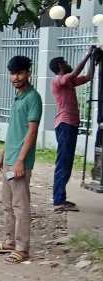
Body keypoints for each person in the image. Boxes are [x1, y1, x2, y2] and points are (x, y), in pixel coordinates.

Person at [0, 56, 42, 265]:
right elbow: (14, 131)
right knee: (8, 204)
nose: (16, 77)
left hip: (20, 162)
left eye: (20, 73)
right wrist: (2, 156)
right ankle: (9, 241)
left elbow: (31, 133)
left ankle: (22, 248)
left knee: (21, 206)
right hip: (9, 161)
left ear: (28, 73)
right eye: (13, 73)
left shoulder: (33, 98)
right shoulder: (18, 97)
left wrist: (21, 161)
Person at [49, 49, 94, 213]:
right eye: (66, 62)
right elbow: (76, 72)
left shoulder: (68, 82)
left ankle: (60, 198)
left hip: (70, 125)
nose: (69, 64)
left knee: (66, 163)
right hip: (65, 124)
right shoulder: (58, 80)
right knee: (63, 163)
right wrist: (88, 54)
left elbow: (88, 77)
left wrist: (93, 62)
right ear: (60, 66)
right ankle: (58, 201)